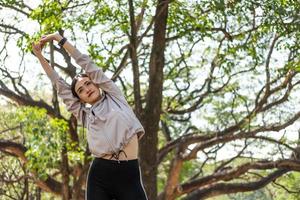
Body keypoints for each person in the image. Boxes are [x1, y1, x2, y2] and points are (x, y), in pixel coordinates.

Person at [32, 32, 148, 200]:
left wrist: (59, 39)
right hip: (100, 175)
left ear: (96, 82)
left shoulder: (114, 96)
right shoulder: (85, 115)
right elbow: (59, 84)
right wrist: (40, 56)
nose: (86, 89)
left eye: (88, 83)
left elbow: (86, 62)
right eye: (81, 90)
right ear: (80, 98)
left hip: (129, 175)